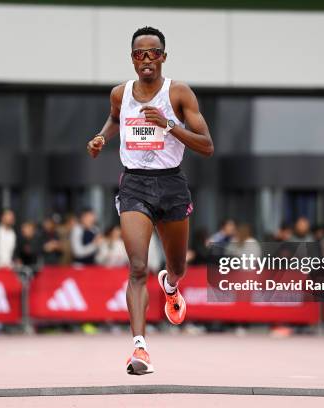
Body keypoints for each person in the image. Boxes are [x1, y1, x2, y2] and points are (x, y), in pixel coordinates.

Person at [86, 26, 213, 375]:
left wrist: (169, 125)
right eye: (139, 54)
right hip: (135, 185)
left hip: (171, 183)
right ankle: (140, 349)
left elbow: (207, 146)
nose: (146, 60)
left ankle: (171, 287)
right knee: (138, 266)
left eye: (153, 53)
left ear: (163, 57)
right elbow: (114, 119)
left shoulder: (179, 93)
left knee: (178, 267)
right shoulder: (119, 94)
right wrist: (101, 137)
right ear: (132, 58)